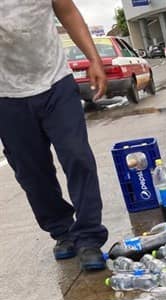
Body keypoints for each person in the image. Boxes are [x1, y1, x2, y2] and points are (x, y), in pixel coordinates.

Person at [0, 0, 109, 270]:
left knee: (77, 155)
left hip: (56, 82)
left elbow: (68, 11)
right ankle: (63, 231)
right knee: (31, 173)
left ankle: (89, 237)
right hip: (6, 95)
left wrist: (93, 59)